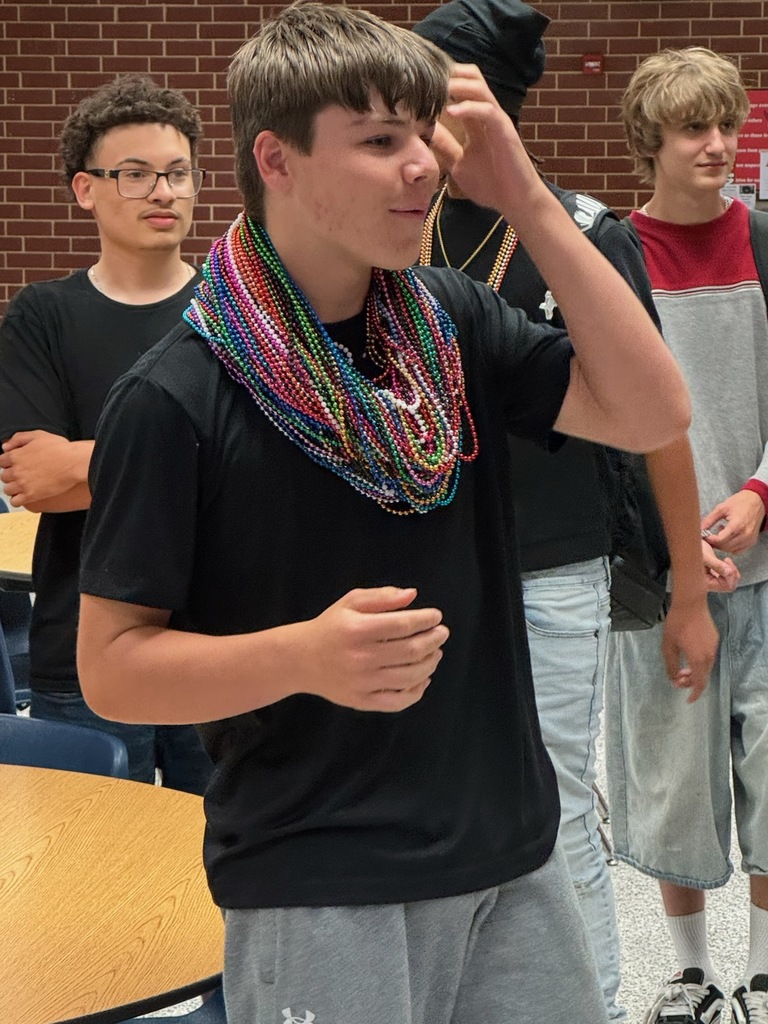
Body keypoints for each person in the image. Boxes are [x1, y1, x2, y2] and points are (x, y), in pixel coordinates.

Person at [75, 4, 690, 1021]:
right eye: (378, 141)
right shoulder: (175, 396)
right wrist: (303, 657)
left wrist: (528, 199)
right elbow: (111, 670)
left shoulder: (452, 319)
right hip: (322, 874)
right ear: (276, 159)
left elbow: (652, 412)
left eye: (422, 136)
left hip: (508, 851)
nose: (422, 167)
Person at [413, 3, 722, 1019]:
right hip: (421, 558)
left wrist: (688, 593)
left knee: (552, 801)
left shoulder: (584, 233)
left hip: (550, 564)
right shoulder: (395, 221)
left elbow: (660, 421)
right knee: (435, 797)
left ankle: (593, 1003)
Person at [604, 47, 768, 1024]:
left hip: (767, 563)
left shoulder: (767, 241)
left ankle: (763, 972)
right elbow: (600, 418)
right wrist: (668, 547)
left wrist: (760, 491)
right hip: (662, 579)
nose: (716, 144)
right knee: (673, 779)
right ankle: (692, 973)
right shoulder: (613, 258)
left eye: (726, 124)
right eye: (693, 128)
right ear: (650, 141)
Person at [0, 74, 213, 792]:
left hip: (222, 642)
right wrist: (199, 457)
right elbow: (38, 482)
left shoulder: (234, 312)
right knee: (93, 854)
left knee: (221, 853)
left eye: (178, 172)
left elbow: (268, 468)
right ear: (85, 189)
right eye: (136, 174)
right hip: (83, 642)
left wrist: (91, 464)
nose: (164, 192)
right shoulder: (42, 316)